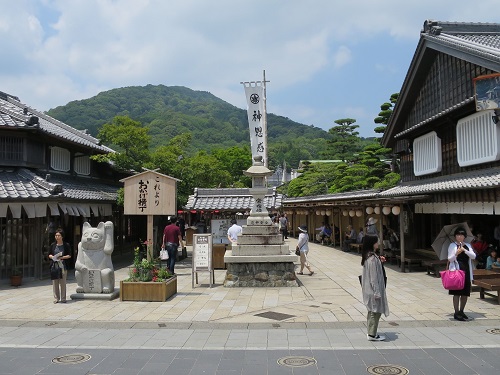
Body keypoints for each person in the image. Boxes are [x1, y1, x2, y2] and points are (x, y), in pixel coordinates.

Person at [361, 235, 389, 341]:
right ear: (372, 244)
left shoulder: (369, 256)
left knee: (372, 311)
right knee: (375, 311)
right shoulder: (371, 258)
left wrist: (379, 261)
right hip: (372, 290)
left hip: (369, 289)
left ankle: (371, 332)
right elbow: (373, 278)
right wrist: (377, 292)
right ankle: (372, 334)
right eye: (376, 242)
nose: (378, 244)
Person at [447, 227, 476, 321]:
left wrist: (464, 250)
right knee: (456, 293)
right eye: (458, 235)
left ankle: (462, 311)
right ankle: (456, 312)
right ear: (455, 236)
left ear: (464, 236)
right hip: (456, 271)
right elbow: (450, 259)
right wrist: (456, 253)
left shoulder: (467, 245)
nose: (459, 237)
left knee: (465, 293)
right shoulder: (452, 245)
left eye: (461, 235)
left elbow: (473, 256)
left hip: (466, 270)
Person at [48, 230, 72, 304]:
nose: (57, 237)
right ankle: (56, 298)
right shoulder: (53, 245)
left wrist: (62, 257)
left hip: (62, 266)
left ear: (62, 236)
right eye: (56, 235)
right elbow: (49, 254)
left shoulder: (66, 245)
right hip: (54, 265)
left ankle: (63, 298)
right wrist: (52, 257)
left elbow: (69, 255)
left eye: (58, 235)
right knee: (55, 283)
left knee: (63, 282)